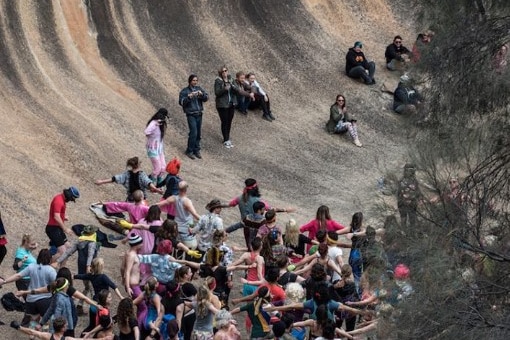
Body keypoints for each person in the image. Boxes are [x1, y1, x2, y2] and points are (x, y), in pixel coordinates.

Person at [0, 249, 56, 326]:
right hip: (45, 300)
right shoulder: (51, 271)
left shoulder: (31, 267)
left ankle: (32, 336)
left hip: (31, 300)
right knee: (46, 323)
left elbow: (18, 275)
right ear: (50, 259)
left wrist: (5, 281)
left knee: (33, 322)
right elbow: (57, 284)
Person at [157, 181, 201, 252]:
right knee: (190, 247)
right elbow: (194, 214)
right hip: (187, 228)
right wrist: (204, 220)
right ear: (186, 189)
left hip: (177, 226)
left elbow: (160, 204)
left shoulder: (174, 198)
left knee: (177, 246)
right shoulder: (187, 201)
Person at [95, 156, 162, 201]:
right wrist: (156, 189)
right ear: (139, 165)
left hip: (131, 199)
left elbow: (114, 178)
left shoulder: (126, 174)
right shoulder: (142, 174)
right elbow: (148, 183)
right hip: (141, 200)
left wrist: (101, 181)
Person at [214, 66, 250, 148]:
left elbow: (237, 89)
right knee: (225, 121)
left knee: (229, 121)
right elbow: (217, 93)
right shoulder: (218, 81)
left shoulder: (231, 79)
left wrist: (234, 87)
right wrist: (224, 89)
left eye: (226, 71)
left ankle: (227, 138)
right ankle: (226, 139)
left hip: (231, 103)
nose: (224, 72)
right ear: (220, 73)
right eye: (223, 71)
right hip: (222, 105)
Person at [179, 74, 209, 160]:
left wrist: (201, 94)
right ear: (190, 81)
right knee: (193, 132)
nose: (195, 82)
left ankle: (196, 150)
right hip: (191, 114)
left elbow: (206, 98)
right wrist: (189, 97)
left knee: (198, 133)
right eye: (193, 80)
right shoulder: (184, 91)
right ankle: (189, 151)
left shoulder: (199, 89)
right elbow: (181, 102)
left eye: (196, 80)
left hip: (199, 113)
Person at [46, 186, 80, 261]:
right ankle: (48, 266)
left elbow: (57, 214)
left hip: (57, 228)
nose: (71, 200)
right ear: (69, 195)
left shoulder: (62, 200)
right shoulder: (59, 201)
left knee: (68, 248)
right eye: (71, 199)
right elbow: (56, 217)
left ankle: (62, 269)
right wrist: (65, 229)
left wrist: (63, 217)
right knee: (62, 251)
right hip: (53, 228)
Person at [10, 316, 113, 340]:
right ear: (63, 329)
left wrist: (18, 327)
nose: (67, 326)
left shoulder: (48, 336)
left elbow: (32, 332)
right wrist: (102, 339)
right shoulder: (67, 339)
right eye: (66, 325)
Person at [145, 108, 169, 184]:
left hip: (159, 149)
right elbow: (146, 131)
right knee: (157, 168)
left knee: (163, 168)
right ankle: (151, 183)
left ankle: (158, 182)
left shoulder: (161, 125)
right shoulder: (153, 123)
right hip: (152, 149)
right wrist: (155, 124)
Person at [396, 163, 422, 228]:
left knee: (412, 220)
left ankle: (412, 234)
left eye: (410, 170)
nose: (408, 172)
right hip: (402, 204)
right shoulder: (401, 181)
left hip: (412, 204)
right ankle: (405, 234)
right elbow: (398, 193)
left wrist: (418, 199)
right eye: (407, 170)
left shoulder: (415, 181)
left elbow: (417, 192)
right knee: (403, 220)